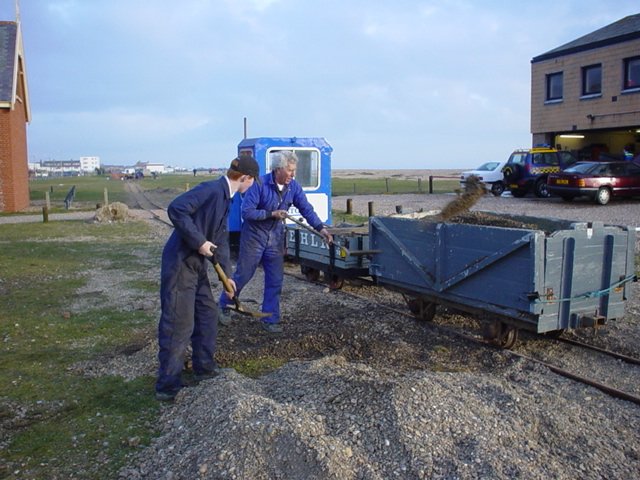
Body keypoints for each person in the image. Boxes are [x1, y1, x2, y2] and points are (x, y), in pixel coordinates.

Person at [155, 155, 260, 401]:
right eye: (253, 181)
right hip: (180, 263)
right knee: (179, 324)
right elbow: (176, 209)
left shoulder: (226, 199)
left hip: (196, 265)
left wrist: (228, 278)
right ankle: (167, 387)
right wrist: (199, 242)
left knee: (207, 315)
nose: (252, 186)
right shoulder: (212, 189)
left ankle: (204, 368)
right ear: (245, 178)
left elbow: (220, 240)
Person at [219, 151, 332, 333]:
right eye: (290, 170)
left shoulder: (293, 187)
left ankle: (270, 319)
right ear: (278, 169)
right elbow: (246, 212)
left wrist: (321, 228)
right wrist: (270, 214)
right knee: (243, 275)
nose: (293, 175)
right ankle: (224, 304)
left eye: (294, 171)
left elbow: (306, 209)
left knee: (275, 280)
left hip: (275, 239)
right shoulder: (259, 184)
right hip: (254, 238)